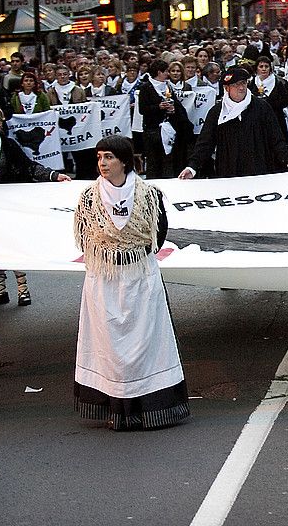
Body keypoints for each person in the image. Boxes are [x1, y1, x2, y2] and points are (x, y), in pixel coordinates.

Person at [73, 135, 191, 431]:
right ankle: (116, 408)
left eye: (109, 157)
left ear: (124, 161)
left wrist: (131, 252)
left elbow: (157, 234)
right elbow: (84, 236)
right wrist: (111, 254)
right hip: (104, 279)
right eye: (99, 157)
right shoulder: (89, 197)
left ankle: (148, 408)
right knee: (109, 345)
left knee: (146, 342)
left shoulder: (149, 194)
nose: (102, 163)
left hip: (139, 276)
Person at [0, 105, 71, 306]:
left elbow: (29, 166)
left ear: (1, 123)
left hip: (6, 202)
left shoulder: (9, 145)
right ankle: (0, 289)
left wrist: (53, 175)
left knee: (11, 242)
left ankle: (22, 289)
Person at [180, 66, 288, 179]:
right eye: (236, 84)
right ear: (226, 88)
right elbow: (205, 143)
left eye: (244, 83)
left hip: (259, 170)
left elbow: (276, 138)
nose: (241, 87)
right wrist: (192, 167)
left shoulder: (261, 107)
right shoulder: (217, 112)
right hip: (228, 171)